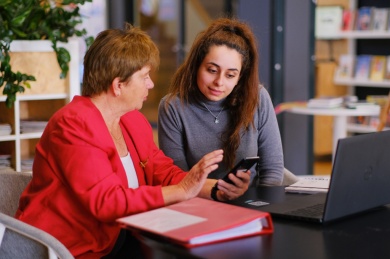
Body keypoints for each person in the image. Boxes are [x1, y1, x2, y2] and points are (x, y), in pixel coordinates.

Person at [15, 24, 250, 258]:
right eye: (145, 77)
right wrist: (182, 190)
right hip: (70, 248)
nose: (151, 84)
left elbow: (164, 172)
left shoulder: (132, 120)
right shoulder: (72, 125)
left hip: (119, 236)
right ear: (118, 85)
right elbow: (107, 202)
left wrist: (216, 189)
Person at [158, 17, 284, 187]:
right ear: (196, 66)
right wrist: (219, 193)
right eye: (212, 70)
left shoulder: (258, 97)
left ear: (240, 77)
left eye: (230, 75)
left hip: (250, 201)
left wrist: (256, 203)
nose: (219, 82)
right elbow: (178, 180)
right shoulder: (172, 107)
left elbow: (273, 172)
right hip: (198, 202)